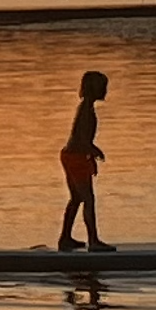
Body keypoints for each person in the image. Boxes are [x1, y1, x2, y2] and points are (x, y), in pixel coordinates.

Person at [55, 69, 113, 251]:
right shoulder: (86, 110)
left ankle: (65, 239)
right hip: (75, 157)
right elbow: (81, 139)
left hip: (71, 155)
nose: (105, 91)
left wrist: (91, 154)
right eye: (103, 87)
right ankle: (94, 241)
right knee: (88, 199)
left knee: (76, 198)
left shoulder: (85, 108)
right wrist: (94, 151)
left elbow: (83, 139)